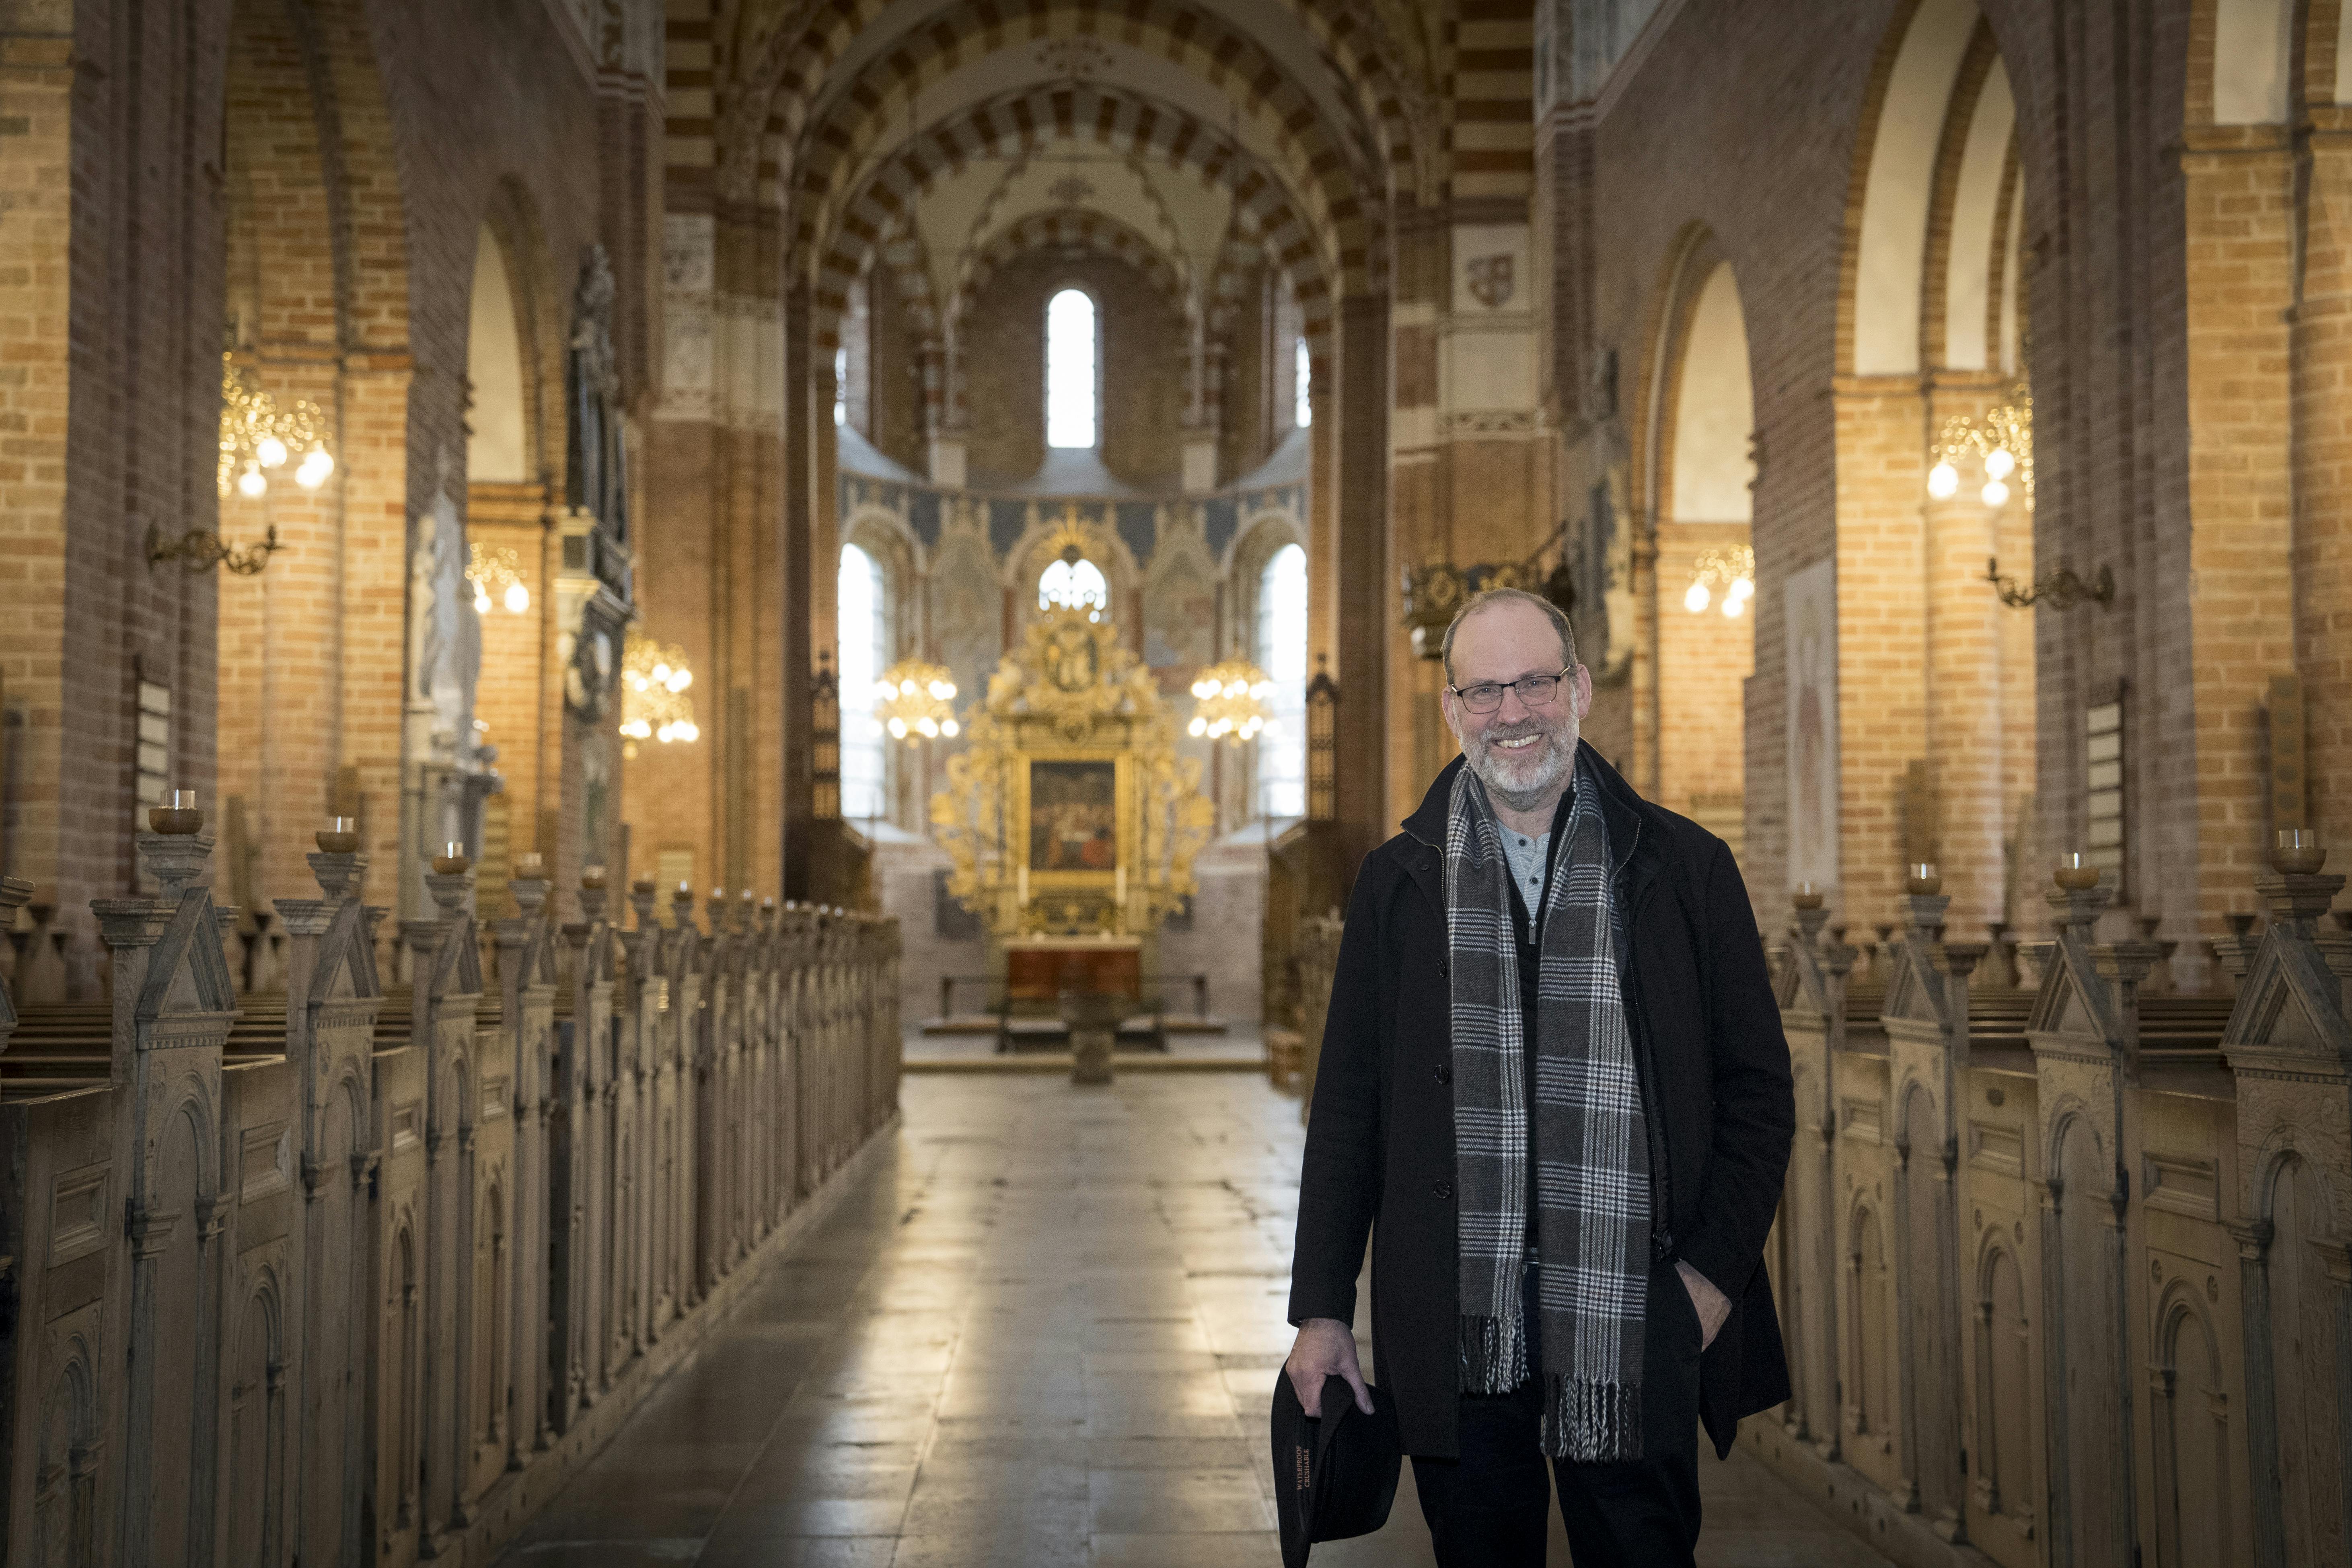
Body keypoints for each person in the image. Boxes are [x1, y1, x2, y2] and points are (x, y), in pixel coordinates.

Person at [1284, 588, 1794, 1566]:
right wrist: (1321, 1310)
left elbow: (1758, 1096)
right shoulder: (1399, 882)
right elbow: (1348, 1112)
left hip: (1633, 1318)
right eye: (1483, 690)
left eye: (1533, 683)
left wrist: (1707, 1281)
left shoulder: (1683, 870)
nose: (1510, 713)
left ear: (1579, 690)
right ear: (1451, 710)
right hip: (1456, 1320)